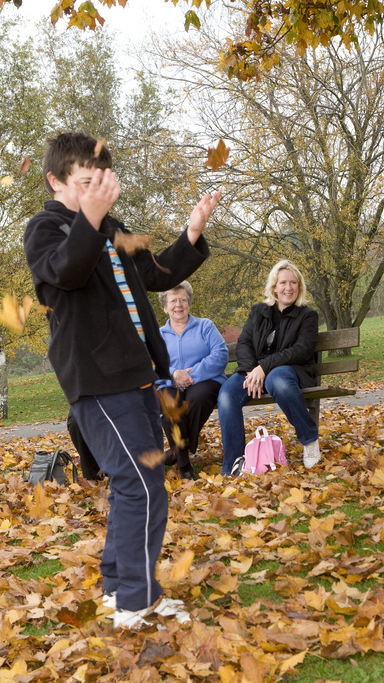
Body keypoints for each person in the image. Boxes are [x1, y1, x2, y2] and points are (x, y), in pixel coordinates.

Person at [23, 131, 221, 629]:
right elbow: (67, 271)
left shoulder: (111, 228)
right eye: (85, 183)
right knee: (143, 484)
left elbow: (155, 273)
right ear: (56, 180)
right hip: (96, 379)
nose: (96, 193)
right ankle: (136, 601)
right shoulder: (44, 229)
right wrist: (91, 217)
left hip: (137, 376)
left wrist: (192, 232)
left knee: (138, 481)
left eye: (101, 184)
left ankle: (118, 590)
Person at [217, 260, 320, 475]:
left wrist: (263, 367)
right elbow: (244, 343)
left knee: (277, 380)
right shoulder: (258, 312)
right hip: (254, 371)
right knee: (227, 394)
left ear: (299, 287)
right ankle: (235, 465)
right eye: (283, 282)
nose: (288, 288)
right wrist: (252, 370)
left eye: (293, 283)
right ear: (274, 287)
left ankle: (310, 440)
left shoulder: (307, 316)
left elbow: (301, 350)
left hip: (290, 371)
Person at [157, 281, 228, 481]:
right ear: (165, 307)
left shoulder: (205, 325)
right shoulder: (158, 335)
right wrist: (174, 374)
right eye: (173, 301)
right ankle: (184, 464)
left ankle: (177, 449)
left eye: (183, 300)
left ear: (189, 303)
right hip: (170, 383)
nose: (178, 305)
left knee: (197, 399)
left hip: (205, 381)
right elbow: (153, 364)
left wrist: (192, 374)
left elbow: (220, 354)